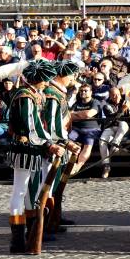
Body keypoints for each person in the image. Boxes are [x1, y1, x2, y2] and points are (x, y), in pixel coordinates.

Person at [6, 60, 64, 253]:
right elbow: (31, 127)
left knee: (31, 190)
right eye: (45, 80)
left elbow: (39, 125)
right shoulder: (25, 96)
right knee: (19, 191)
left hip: (34, 147)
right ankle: (17, 238)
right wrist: (49, 144)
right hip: (24, 148)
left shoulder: (34, 95)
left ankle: (30, 231)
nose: (47, 84)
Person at [42, 61, 82, 232]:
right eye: (70, 74)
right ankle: (47, 221)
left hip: (61, 142)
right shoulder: (52, 94)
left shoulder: (59, 92)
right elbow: (52, 124)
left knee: (57, 183)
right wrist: (64, 142)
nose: (73, 78)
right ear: (61, 75)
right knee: (49, 184)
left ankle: (55, 215)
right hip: (53, 144)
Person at [69, 83, 104, 175]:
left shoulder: (95, 102)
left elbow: (89, 114)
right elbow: (69, 116)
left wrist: (76, 114)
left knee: (88, 145)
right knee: (68, 141)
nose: (83, 92)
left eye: (85, 91)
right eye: (81, 91)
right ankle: (69, 165)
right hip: (76, 129)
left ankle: (77, 167)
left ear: (91, 92)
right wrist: (82, 114)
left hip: (91, 129)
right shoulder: (77, 103)